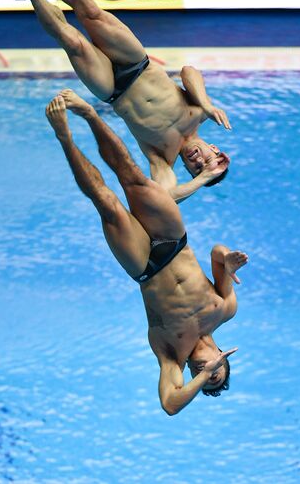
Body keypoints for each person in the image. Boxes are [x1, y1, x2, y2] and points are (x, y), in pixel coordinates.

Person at [45, 93, 248, 415]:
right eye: (213, 371)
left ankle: (64, 136)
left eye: (200, 376)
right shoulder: (224, 310)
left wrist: (203, 377)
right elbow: (217, 252)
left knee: (106, 203)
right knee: (132, 176)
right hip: (174, 241)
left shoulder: (171, 355)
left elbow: (170, 405)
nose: (202, 371)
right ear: (223, 354)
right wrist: (229, 259)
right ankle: (89, 115)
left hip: (144, 264)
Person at [4, 0, 231, 202]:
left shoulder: (162, 158)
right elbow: (188, 70)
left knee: (71, 41)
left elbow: (167, 197)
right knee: (90, 11)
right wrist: (207, 103)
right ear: (215, 149)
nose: (198, 162)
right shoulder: (200, 112)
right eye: (207, 160)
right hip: (137, 63)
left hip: (112, 88)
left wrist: (204, 178)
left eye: (196, 169)